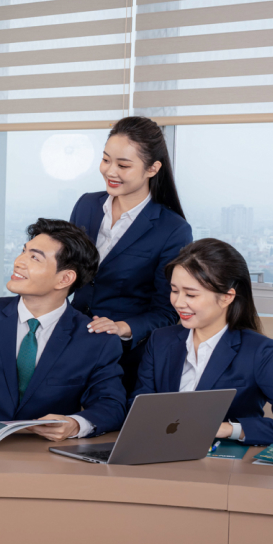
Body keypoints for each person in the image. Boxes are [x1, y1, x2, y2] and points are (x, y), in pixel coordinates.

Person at [0, 219, 127, 440]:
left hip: (48, 452)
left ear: (65, 279)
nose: (18, 262)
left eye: (35, 257)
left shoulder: (95, 340)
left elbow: (111, 405)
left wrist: (76, 424)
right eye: (23, 251)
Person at [133, 239, 273, 448]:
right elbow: (137, 411)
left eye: (191, 294)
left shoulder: (257, 351)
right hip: (159, 453)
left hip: (221, 461)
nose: (178, 303)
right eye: (174, 291)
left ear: (226, 297)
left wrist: (227, 429)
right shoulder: (160, 341)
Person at [69, 116, 193, 390]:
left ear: (153, 168)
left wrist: (122, 327)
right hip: (72, 341)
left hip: (126, 357)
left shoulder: (172, 230)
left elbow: (167, 311)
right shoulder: (87, 205)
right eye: (106, 160)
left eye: (123, 165)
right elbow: (67, 272)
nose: (110, 171)